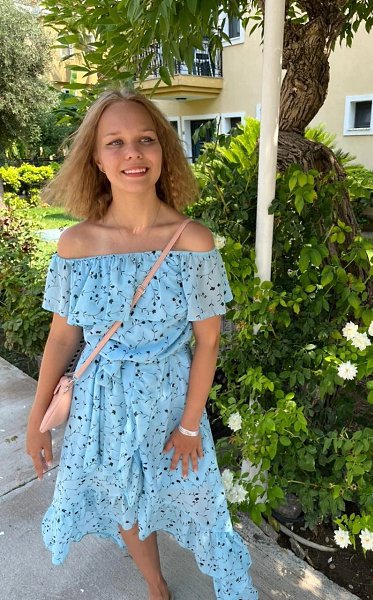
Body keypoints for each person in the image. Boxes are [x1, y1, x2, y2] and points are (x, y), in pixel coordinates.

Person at [26, 88, 258, 600]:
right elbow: (62, 336)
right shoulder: (75, 244)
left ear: (163, 151)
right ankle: (156, 584)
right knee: (124, 501)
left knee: (200, 505)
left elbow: (208, 341)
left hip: (170, 403)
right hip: (100, 406)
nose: (132, 153)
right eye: (115, 142)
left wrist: (190, 425)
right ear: (96, 158)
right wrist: (37, 418)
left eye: (145, 139)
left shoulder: (194, 241)